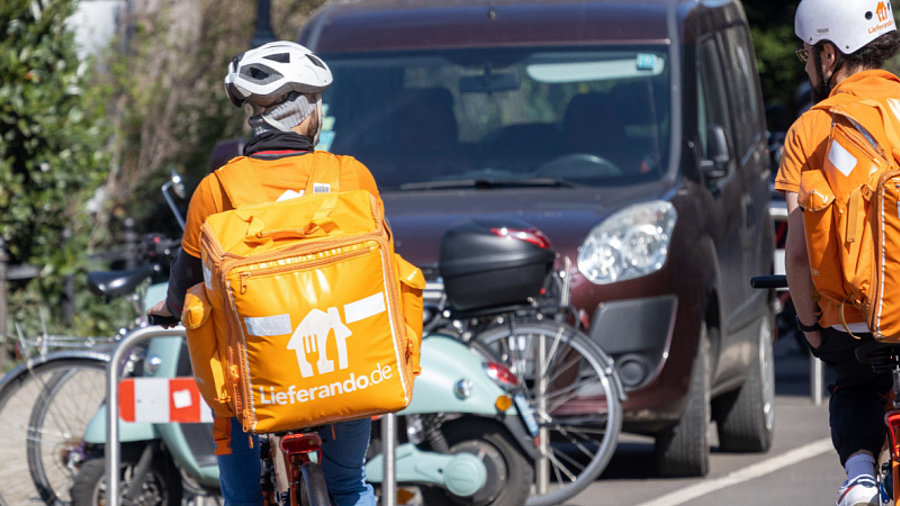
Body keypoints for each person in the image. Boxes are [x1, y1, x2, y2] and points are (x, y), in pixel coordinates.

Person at [148, 40, 378, 506]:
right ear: (306, 108)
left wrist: (172, 308)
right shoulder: (352, 177)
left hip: (253, 381)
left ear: (256, 113)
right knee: (348, 487)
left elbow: (187, 272)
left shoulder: (216, 190)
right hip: (343, 370)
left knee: (243, 498)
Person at [775, 1, 900, 505]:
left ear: (830, 54)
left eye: (806, 55)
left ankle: (861, 473)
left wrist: (809, 327)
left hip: (857, 326)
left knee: (851, 382)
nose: (806, 66)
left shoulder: (811, 131)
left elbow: (800, 256)